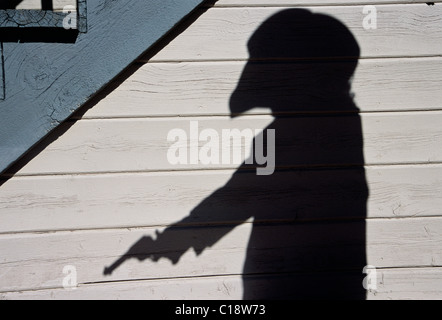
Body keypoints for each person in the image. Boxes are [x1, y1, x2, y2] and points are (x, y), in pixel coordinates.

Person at [104, 9, 369, 300]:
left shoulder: (307, 127)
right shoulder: (328, 121)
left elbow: (242, 194)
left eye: (267, 60)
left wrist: (172, 240)